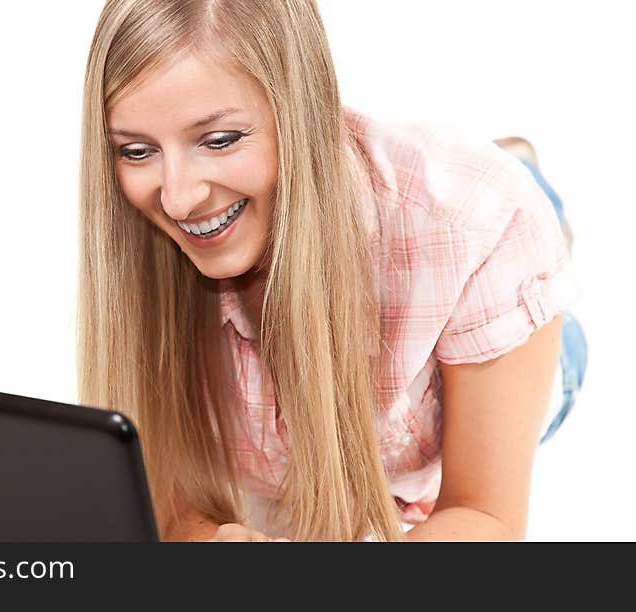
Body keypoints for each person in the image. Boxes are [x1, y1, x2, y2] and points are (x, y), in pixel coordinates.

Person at [77, 0, 586, 541]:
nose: (178, 200)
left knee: (524, 225)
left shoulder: (476, 222)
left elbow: (487, 517)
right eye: (136, 150)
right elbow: (168, 509)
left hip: (478, 268)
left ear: (301, 111)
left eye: (220, 140)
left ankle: (534, 186)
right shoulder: (143, 244)